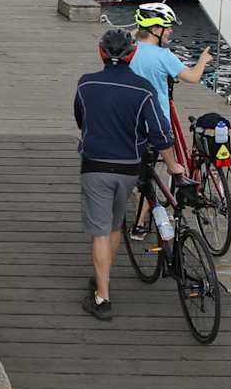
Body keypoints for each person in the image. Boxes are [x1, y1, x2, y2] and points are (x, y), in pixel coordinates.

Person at [74, 27, 173, 320]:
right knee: (115, 227)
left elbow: (81, 119)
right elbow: (160, 133)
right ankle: (105, 278)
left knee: (100, 232)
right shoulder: (144, 89)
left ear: (101, 53)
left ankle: (102, 298)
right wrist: (174, 165)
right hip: (129, 167)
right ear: (132, 55)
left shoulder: (85, 84)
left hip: (95, 165)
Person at [128, 2, 212, 172]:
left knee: (140, 171)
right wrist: (203, 59)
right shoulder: (164, 56)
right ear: (156, 30)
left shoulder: (129, 50)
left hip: (130, 119)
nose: (171, 30)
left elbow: (133, 34)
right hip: (156, 121)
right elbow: (193, 77)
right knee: (154, 165)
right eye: (167, 26)